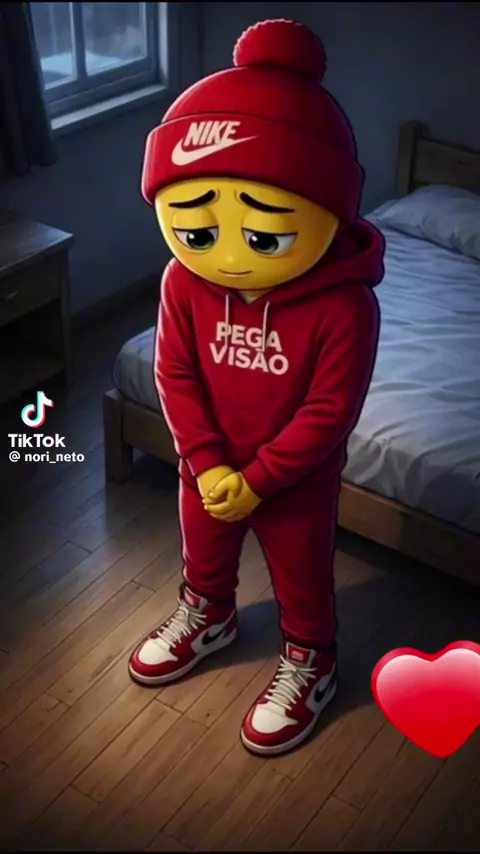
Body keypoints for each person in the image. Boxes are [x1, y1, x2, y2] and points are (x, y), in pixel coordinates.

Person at [128, 18, 385, 756]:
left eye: (265, 236)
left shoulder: (344, 305)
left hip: (295, 484)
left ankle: (312, 661)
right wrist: (208, 463)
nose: (231, 259)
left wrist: (261, 478)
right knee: (203, 556)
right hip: (206, 469)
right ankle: (208, 614)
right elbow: (174, 371)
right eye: (198, 232)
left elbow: (331, 410)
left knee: (303, 582)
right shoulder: (182, 281)